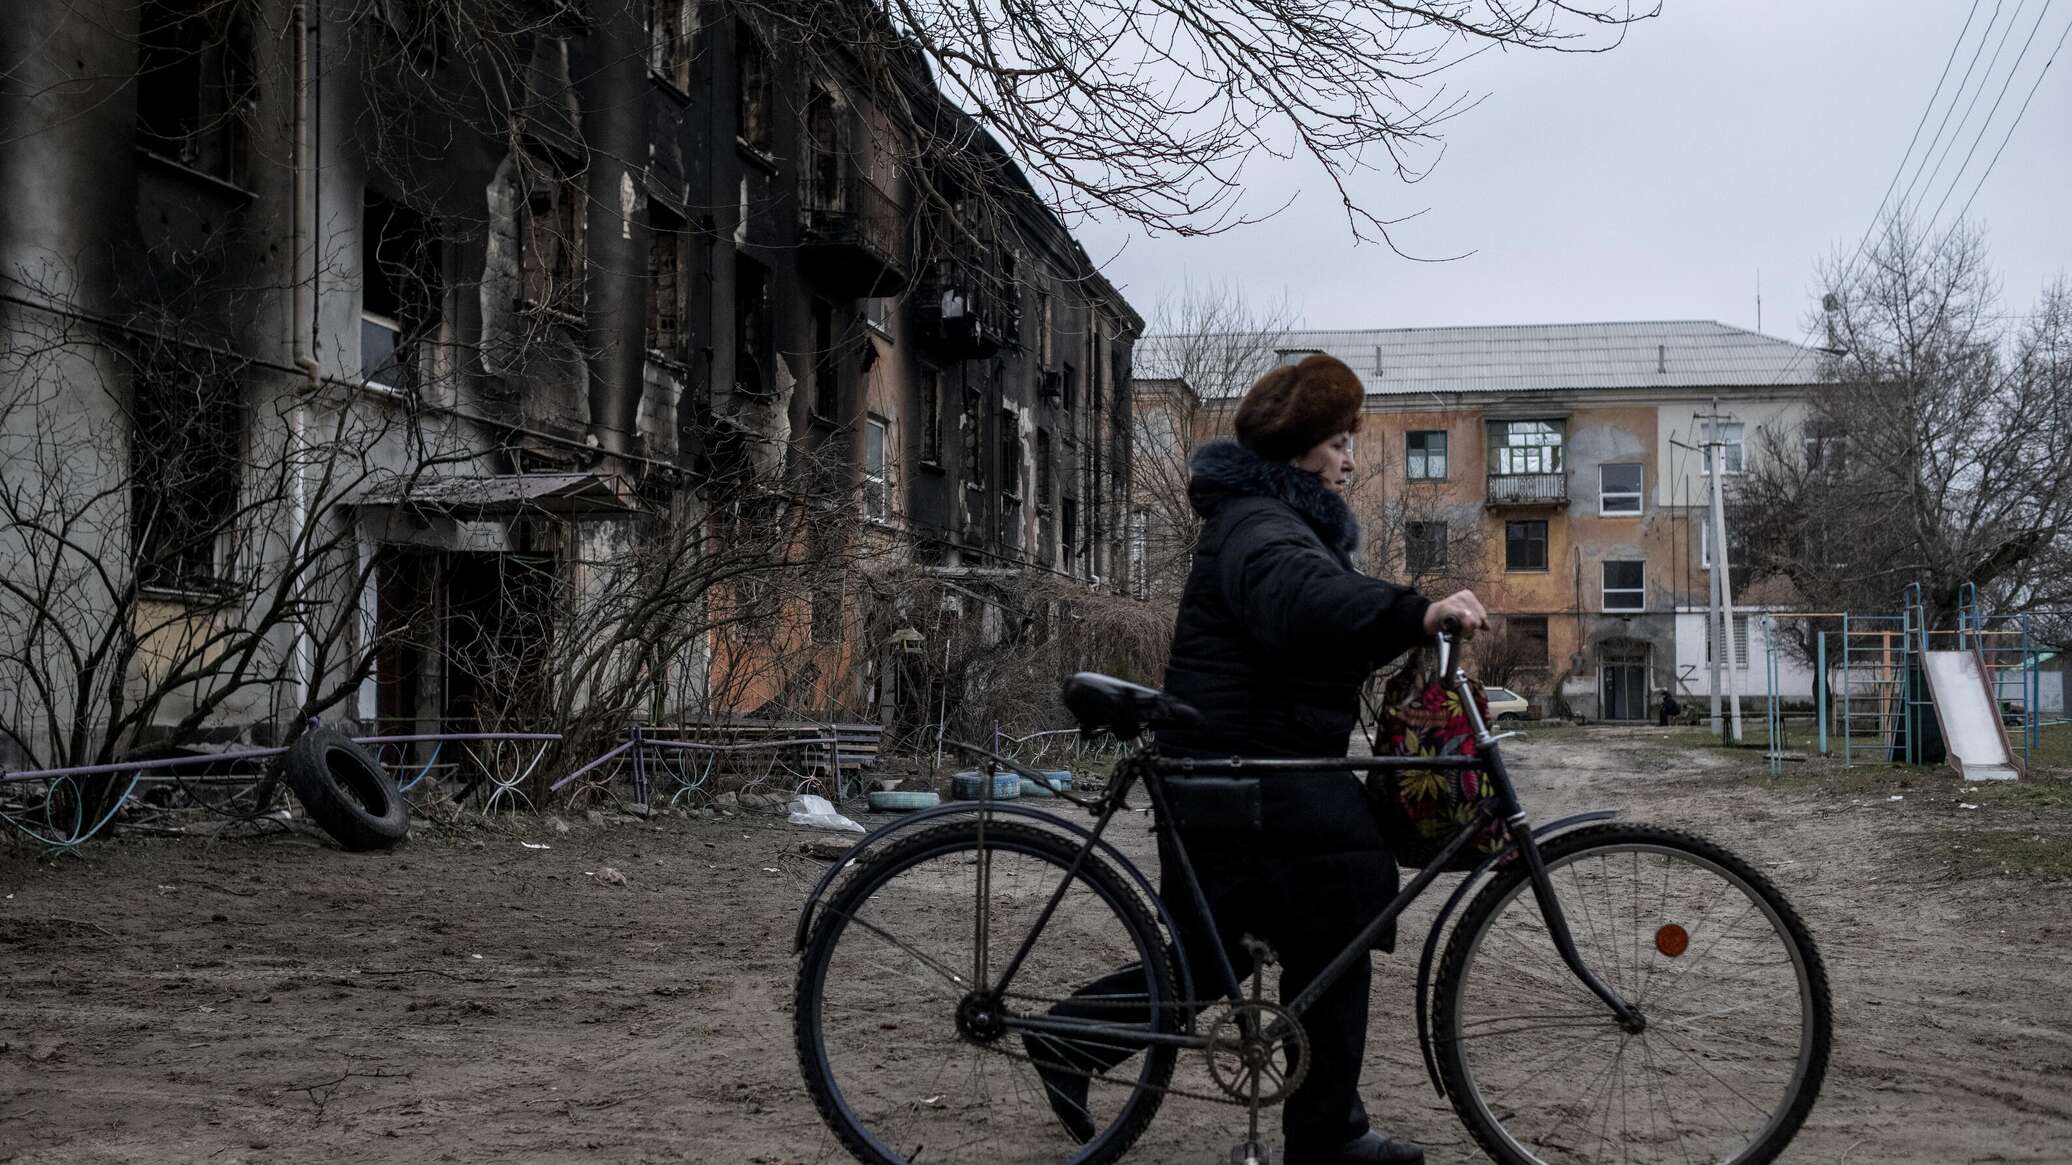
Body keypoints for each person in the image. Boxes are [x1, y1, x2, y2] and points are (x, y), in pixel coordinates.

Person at [1029, 354, 1487, 1165]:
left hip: (1237, 771)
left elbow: (1312, 614)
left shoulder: (1267, 520)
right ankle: (1328, 1136)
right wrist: (1416, 611)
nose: (1350, 458)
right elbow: (1304, 603)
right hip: (1237, 780)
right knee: (1345, 883)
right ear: (1306, 446)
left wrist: (1394, 627)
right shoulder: (1259, 526)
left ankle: (1070, 1038)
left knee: (1211, 955)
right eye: (1342, 441)